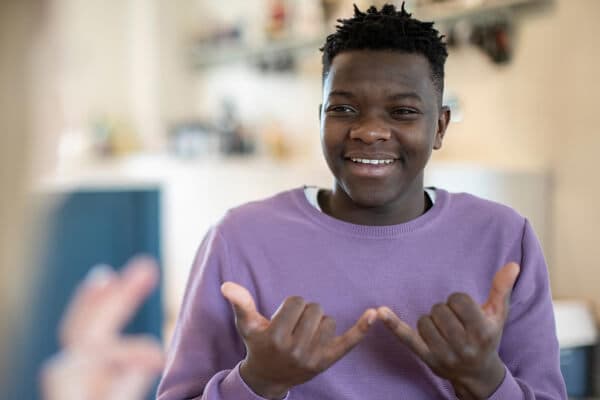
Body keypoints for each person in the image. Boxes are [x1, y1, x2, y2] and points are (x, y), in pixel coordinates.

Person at [157, 3, 566, 399]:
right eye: (345, 108)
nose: (369, 131)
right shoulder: (238, 239)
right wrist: (258, 382)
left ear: (439, 126)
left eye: (403, 111)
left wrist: (485, 380)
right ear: (321, 118)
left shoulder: (506, 238)